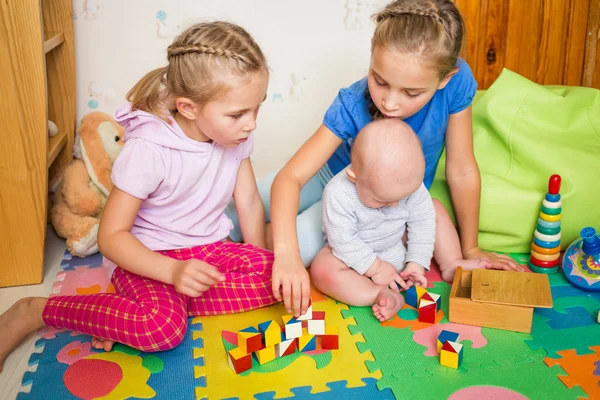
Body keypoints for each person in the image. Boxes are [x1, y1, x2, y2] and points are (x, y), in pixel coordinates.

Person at [0, 21, 276, 372]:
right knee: (162, 330)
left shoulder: (236, 137)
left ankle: (125, 314)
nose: (251, 124)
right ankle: (35, 310)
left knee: (276, 273)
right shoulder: (149, 150)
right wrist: (173, 271)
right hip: (146, 257)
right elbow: (111, 237)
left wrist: (257, 256)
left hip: (209, 249)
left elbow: (249, 201)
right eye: (238, 114)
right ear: (189, 108)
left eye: (257, 108)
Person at [226, 0, 523, 317]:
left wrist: (470, 247)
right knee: (228, 213)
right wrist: (287, 255)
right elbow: (291, 178)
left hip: (378, 203)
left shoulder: (458, 82)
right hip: (330, 176)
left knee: (279, 248)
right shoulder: (353, 102)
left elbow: (462, 169)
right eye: (380, 81)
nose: (390, 103)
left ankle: (263, 238)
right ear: (372, 53)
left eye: (411, 93)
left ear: (445, 79)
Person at [313, 119, 448, 321]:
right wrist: (375, 267)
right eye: (382, 200)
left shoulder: (410, 183)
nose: (394, 205)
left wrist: (417, 262)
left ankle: (452, 263)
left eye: (402, 197)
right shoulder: (338, 193)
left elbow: (423, 222)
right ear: (353, 177)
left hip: (397, 245)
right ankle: (377, 293)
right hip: (354, 260)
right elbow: (342, 240)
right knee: (321, 268)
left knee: (434, 209)